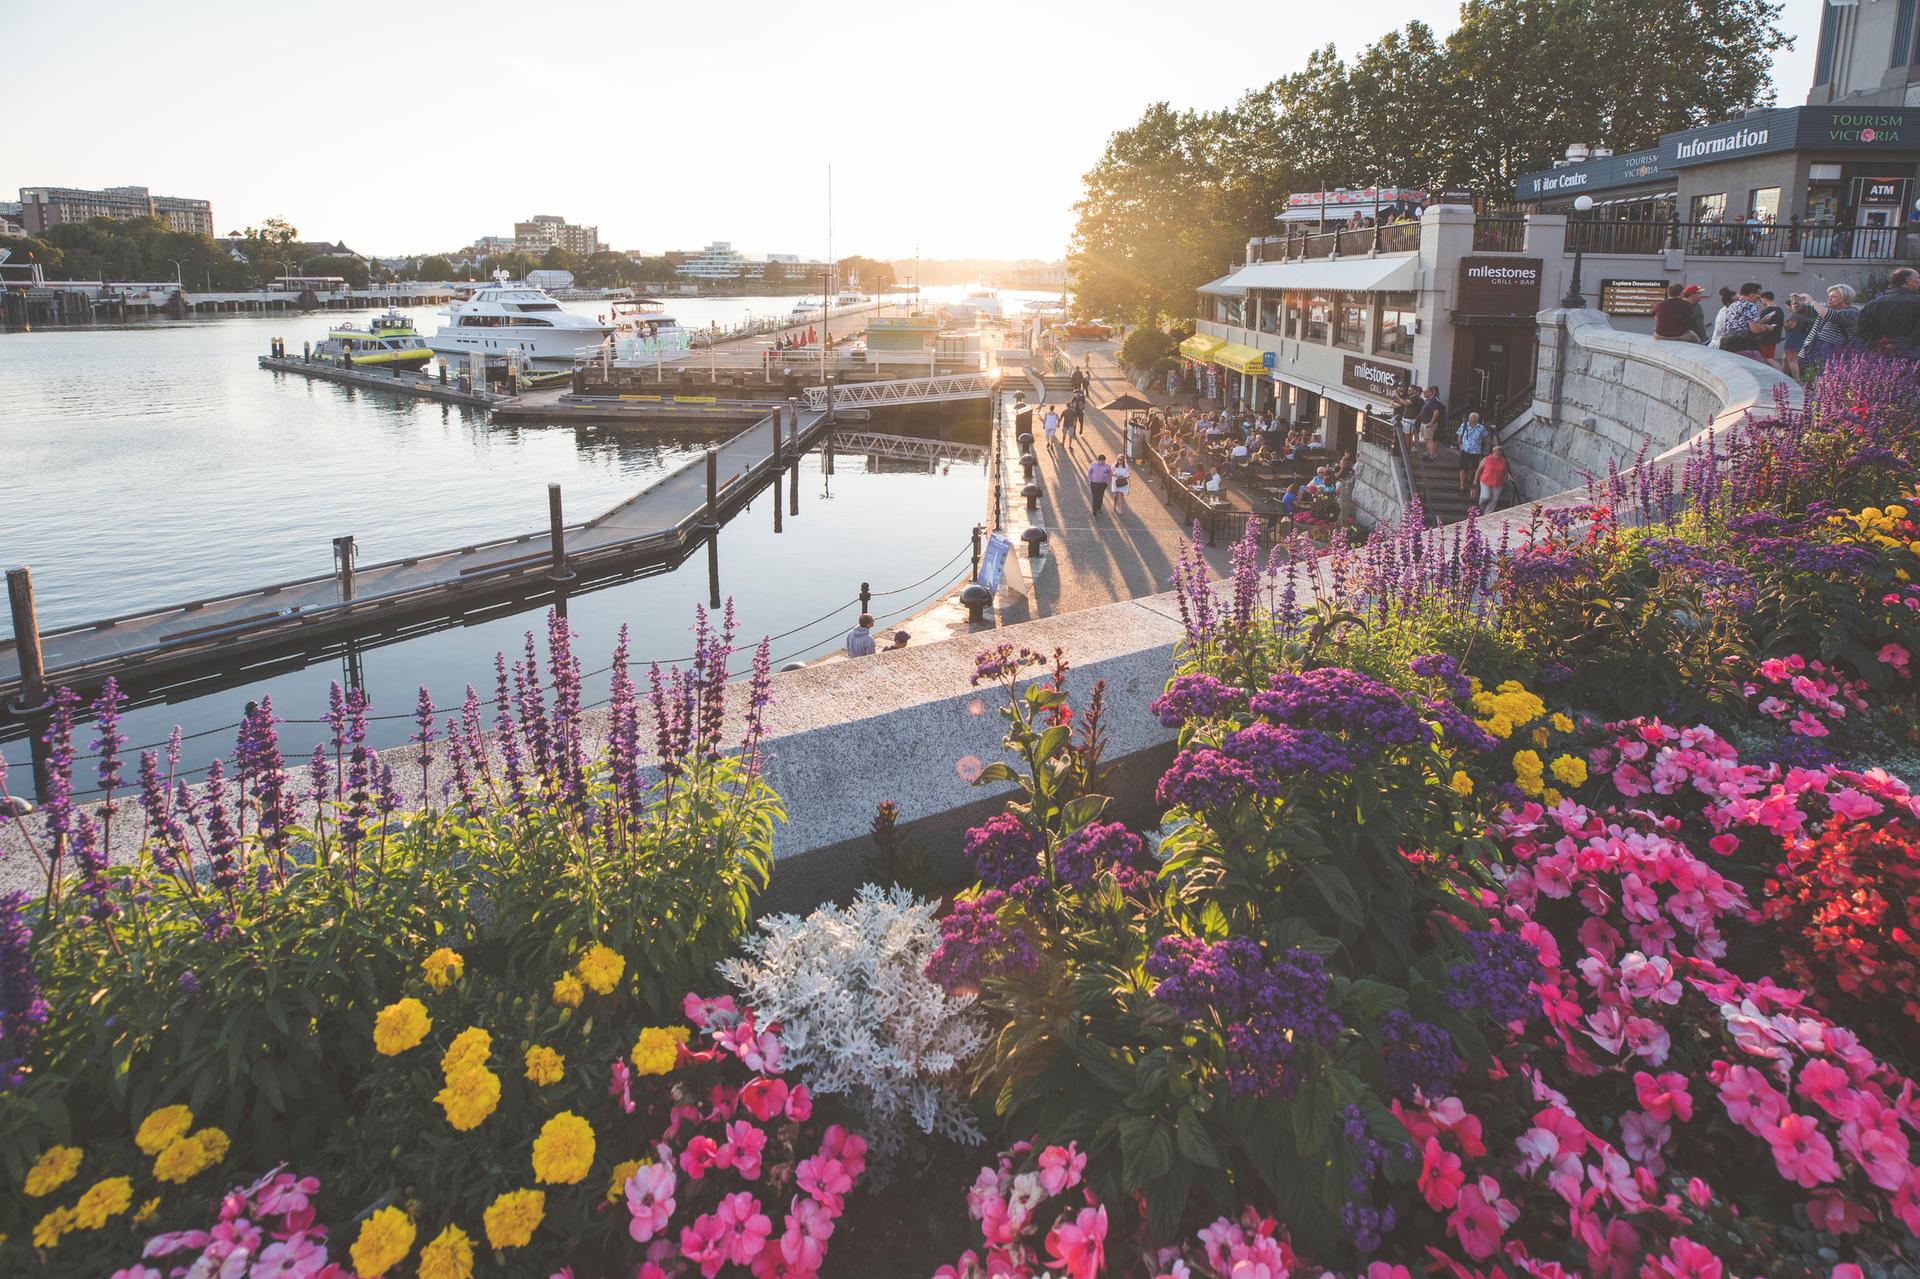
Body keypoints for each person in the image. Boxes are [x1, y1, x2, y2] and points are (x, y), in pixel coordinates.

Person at [1857, 266, 1920, 349]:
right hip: (1912, 352)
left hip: (1879, 352)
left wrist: (1878, 342)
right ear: (1908, 281)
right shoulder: (1917, 301)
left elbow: (1862, 329)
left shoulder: (1873, 303)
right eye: (1918, 277)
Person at [1803, 283, 1860, 369]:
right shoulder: (1828, 310)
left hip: (1834, 353)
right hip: (1817, 351)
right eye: (1829, 296)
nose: (1829, 299)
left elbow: (1831, 315)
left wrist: (1812, 302)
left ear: (1845, 298)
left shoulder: (1851, 312)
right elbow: (1805, 310)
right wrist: (1797, 303)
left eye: (1834, 297)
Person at [1781, 292, 1818, 377]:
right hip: (1798, 337)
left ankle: (1796, 380)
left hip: (1793, 338)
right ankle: (1784, 377)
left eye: (1795, 302)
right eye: (1793, 301)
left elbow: (1792, 325)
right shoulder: (1803, 313)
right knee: (1786, 359)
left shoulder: (1795, 314)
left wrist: (1784, 323)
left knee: (1791, 360)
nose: (1794, 304)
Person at [1455, 412, 1490, 497]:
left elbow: (1486, 438)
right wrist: (1460, 445)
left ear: (1477, 419)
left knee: (1474, 468)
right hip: (1465, 450)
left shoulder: (1481, 428)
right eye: (1471, 418)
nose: (1473, 419)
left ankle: (1469, 478)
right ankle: (1462, 486)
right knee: (1463, 468)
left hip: (1476, 451)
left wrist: (1488, 447)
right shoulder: (1464, 426)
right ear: (1469, 418)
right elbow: (1459, 436)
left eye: (1475, 418)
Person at [1754, 291, 1785, 366]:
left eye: (1761, 300)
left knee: (1766, 359)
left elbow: (1759, 325)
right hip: (1773, 339)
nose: (1761, 302)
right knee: (1768, 358)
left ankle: (1780, 374)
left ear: (1765, 298)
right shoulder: (1780, 311)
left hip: (1764, 339)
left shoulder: (1766, 311)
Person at [1417, 385, 1445, 461]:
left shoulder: (1433, 401)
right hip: (1425, 423)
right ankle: (1428, 452)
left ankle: (1432, 455)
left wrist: (1431, 423)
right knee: (1426, 439)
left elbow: (1436, 413)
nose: (1424, 393)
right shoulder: (1428, 400)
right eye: (1424, 392)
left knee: (1429, 439)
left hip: (1429, 424)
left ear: (1432, 392)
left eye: (1426, 392)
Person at [1477, 446, 1508, 510]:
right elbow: (1479, 469)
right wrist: (1475, 479)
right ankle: (1481, 506)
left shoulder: (1503, 460)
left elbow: (1505, 470)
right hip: (1485, 481)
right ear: (1493, 453)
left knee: (1494, 500)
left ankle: (1487, 514)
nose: (1497, 456)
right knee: (1485, 497)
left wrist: (1509, 476)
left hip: (1498, 483)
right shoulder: (1486, 459)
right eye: (1496, 454)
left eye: (1499, 455)